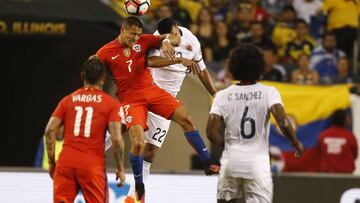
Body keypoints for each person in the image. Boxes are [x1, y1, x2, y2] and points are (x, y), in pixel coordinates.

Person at [96, 16, 219, 202]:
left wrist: (216, 95)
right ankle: (89, 155)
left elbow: (200, 69)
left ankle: (134, 197)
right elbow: (153, 57)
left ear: (178, 29)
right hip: (138, 95)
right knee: (124, 135)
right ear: (122, 30)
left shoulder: (190, 41)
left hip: (160, 96)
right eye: (133, 34)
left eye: (138, 34)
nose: (136, 38)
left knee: (151, 152)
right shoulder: (123, 47)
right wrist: (175, 56)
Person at [207, 44, 304, 203]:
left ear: (234, 66)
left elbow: (211, 133)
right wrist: (295, 142)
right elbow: (283, 122)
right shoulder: (269, 92)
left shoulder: (222, 96)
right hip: (257, 164)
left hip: (231, 161)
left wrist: (227, 144)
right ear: (259, 66)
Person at [44, 57, 126, 203]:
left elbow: (50, 130)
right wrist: (120, 167)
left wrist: (52, 162)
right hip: (92, 165)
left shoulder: (68, 100)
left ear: (82, 76)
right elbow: (117, 139)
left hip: (66, 163)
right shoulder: (111, 105)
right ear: (104, 78)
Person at [318, 109, 358, 173]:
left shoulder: (323, 135)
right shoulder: (350, 136)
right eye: (348, 118)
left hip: (326, 176)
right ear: (343, 119)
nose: (349, 120)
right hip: (346, 176)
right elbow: (355, 155)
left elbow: (319, 153)